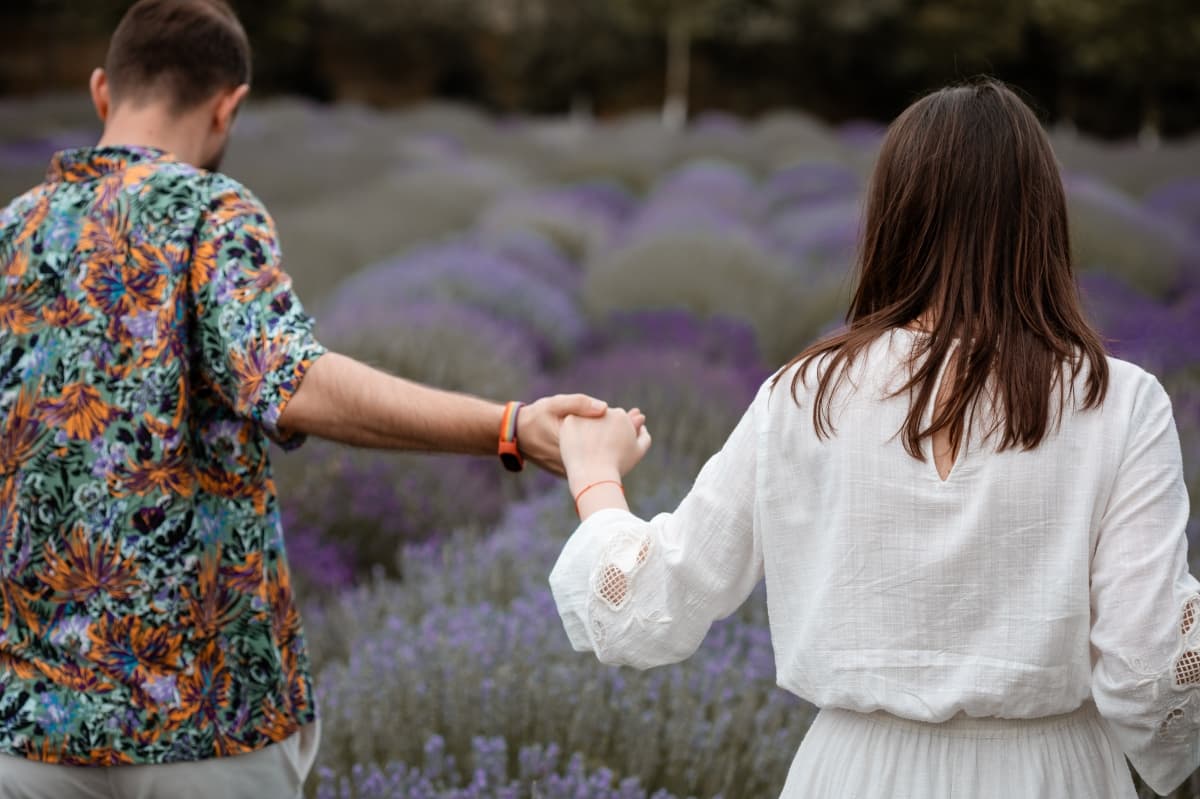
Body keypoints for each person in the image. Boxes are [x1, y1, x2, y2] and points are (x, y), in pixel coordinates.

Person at [0, 1, 645, 796]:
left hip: (29, 726)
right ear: (229, 106)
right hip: (202, 723)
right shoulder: (210, 213)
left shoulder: (11, 233)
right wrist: (507, 426)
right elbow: (293, 379)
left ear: (102, 90)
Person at [550, 79, 1199, 798]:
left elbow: (648, 607)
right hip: (1051, 775)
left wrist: (595, 473)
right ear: (1043, 219)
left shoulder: (804, 396)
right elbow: (1153, 672)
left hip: (855, 774)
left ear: (893, 214)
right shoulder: (1120, 402)